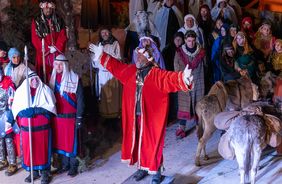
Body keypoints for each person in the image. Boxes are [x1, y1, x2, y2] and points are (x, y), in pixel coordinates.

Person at [89, 41, 194, 184]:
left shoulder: (157, 74)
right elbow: (116, 67)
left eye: (140, 56)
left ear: (148, 59)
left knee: (152, 144)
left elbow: (170, 79)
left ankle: (156, 171)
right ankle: (142, 168)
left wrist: (183, 77)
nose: (137, 58)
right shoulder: (131, 71)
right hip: (134, 117)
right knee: (137, 142)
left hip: (150, 118)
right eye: (137, 56)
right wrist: (102, 55)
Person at [12, 71, 56, 184]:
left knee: (43, 150)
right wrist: (23, 113)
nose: (35, 81)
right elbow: (16, 109)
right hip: (27, 129)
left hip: (42, 128)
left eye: (36, 79)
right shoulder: (21, 92)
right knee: (30, 150)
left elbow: (51, 108)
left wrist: (36, 110)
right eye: (32, 80)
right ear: (27, 81)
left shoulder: (45, 90)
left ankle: (45, 172)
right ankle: (34, 172)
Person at [49, 54, 85, 177]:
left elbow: (80, 100)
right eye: (56, 64)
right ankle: (64, 165)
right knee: (61, 143)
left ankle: (73, 166)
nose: (58, 67)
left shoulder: (75, 79)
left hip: (71, 117)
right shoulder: (52, 79)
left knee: (71, 143)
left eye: (60, 64)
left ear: (65, 65)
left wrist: (79, 117)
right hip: (58, 117)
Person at [174, 30, 205, 139]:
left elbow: (205, 65)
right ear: (185, 41)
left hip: (198, 79)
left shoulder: (201, 52)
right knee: (184, 103)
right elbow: (176, 66)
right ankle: (181, 126)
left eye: (192, 41)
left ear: (195, 40)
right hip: (184, 79)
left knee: (198, 102)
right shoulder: (179, 52)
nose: (191, 43)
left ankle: (199, 126)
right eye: (188, 41)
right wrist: (179, 77)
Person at [31, 0, 67, 81]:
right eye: (46, 8)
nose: (48, 10)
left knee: (59, 73)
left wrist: (57, 47)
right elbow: (35, 38)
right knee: (45, 75)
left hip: (57, 52)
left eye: (49, 8)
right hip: (44, 54)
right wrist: (47, 49)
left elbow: (63, 34)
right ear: (42, 8)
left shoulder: (59, 19)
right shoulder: (36, 21)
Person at [91, 27, 122, 119]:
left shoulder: (115, 44)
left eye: (106, 32)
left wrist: (107, 58)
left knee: (113, 93)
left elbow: (119, 58)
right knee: (104, 94)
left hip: (112, 73)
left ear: (109, 33)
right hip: (102, 74)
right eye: (102, 33)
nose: (104, 34)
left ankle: (115, 115)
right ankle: (104, 115)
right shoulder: (99, 45)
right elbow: (94, 62)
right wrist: (95, 57)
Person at [0, 67, 17, 176]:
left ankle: (12, 163)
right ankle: (2, 160)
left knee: (8, 139)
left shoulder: (8, 84)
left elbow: (13, 100)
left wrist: (10, 117)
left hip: (6, 115)